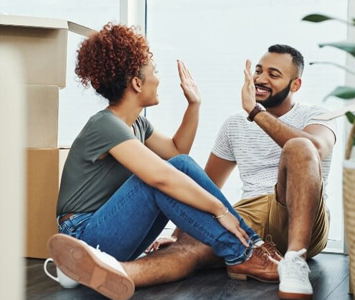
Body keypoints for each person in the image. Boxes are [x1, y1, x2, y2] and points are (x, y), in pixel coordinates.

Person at [47, 23, 280, 300]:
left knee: (176, 166)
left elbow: (177, 151)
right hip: (81, 236)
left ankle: (249, 248)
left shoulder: (137, 125)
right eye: (154, 72)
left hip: (104, 230)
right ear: (136, 82)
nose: (158, 79)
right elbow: (163, 176)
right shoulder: (104, 124)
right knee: (165, 175)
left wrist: (194, 105)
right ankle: (244, 251)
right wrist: (221, 210)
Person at [111, 44, 336, 300]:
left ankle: (296, 260)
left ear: (295, 85)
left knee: (299, 146)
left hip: (302, 217)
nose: (261, 79)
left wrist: (255, 112)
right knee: (189, 249)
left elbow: (315, 149)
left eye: (274, 75)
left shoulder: (317, 115)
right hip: (248, 218)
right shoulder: (234, 125)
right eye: (259, 71)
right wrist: (179, 233)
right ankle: (110, 270)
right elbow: (207, 185)